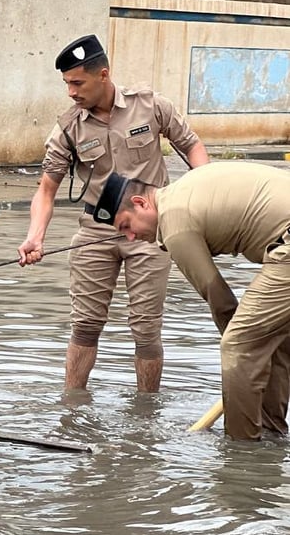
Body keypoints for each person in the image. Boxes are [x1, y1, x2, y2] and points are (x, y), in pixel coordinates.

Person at [17, 34, 209, 393]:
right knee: (85, 325)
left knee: (146, 328)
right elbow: (46, 190)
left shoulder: (150, 106)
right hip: (96, 229)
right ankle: (72, 406)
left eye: (77, 83)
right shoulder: (69, 127)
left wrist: (204, 191)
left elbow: (191, 145)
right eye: (67, 84)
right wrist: (35, 237)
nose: (71, 92)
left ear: (103, 74)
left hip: (151, 231)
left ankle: (146, 412)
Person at [97, 164, 290, 441]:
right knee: (271, 340)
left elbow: (220, 300)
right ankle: (272, 435)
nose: (130, 237)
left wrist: (242, 356)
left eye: (126, 226)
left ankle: (241, 450)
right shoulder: (184, 188)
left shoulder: (174, 223)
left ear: (140, 203)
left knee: (238, 346)